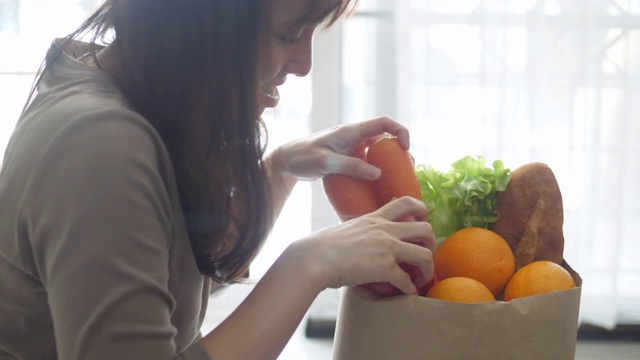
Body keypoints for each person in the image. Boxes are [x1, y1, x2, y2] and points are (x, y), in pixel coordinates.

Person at [0, 0, 436, 359]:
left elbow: (181, 268)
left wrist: (279, 170)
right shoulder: (99, 147)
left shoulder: (120, 103)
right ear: (200, 28)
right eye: (288, 35)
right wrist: (310, 264)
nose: (303, 65)